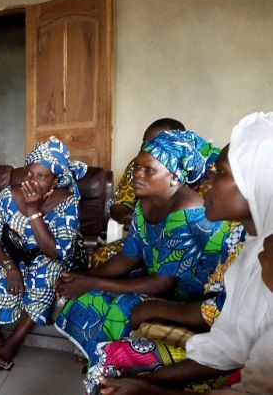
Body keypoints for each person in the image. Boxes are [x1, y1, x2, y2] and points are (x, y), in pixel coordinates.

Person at [95, 112, 273, 395]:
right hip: (219, 345)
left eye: (222, 173)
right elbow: (231, 343)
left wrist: (151, 391)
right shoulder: (251, 244)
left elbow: (257, 382)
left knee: (120, 354)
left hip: (199, 317)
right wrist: (151, 383)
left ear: (256, 181)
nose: (204, 185)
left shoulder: (261, 258)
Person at [55, 130, 228, 364]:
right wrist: (83, 278)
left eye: (149, 170)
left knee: (120, 305)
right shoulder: (145, 202)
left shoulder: (190, 215)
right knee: (90, 294)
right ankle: (100, 362)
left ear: (174, 177)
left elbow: (162, 283)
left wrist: (92, 281)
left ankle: (109, 363)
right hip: (157, 279)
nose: (138, 175)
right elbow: (128, 256)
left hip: (192, 298)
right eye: (137, 167)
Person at [0, 136, 87, 371]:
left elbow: (55, 252)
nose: (31, 181)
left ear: (55, 180)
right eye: (29, 173)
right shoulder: (9, 195)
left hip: (47, 259)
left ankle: (13, 342)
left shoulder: (66, 202)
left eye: (41, 176)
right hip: (12, 257)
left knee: (50, 269)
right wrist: (9, 267)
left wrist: (34, 211)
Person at [92, 119, 187, 268]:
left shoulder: (195, 174)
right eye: (145, 141)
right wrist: (127, 217)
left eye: (155, 143)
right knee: (100, 259)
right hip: (142, 240)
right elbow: (118, 204)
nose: (146, 147)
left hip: (179, 245)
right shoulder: (137, 165)